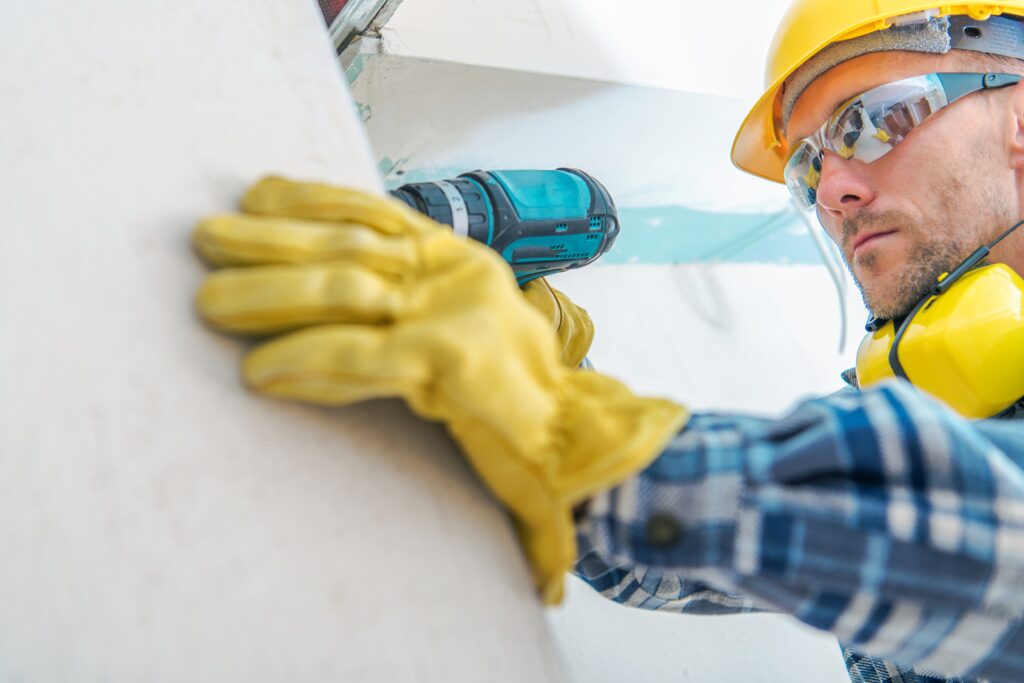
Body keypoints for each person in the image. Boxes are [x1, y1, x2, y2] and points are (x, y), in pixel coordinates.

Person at [191, 1, 1024, 681]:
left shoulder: (932, 487)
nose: (833, 187)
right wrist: (545, 366)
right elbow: (657, 559)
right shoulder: (907, 417)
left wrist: (581, 436)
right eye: (808, 164)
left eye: (876, 119)